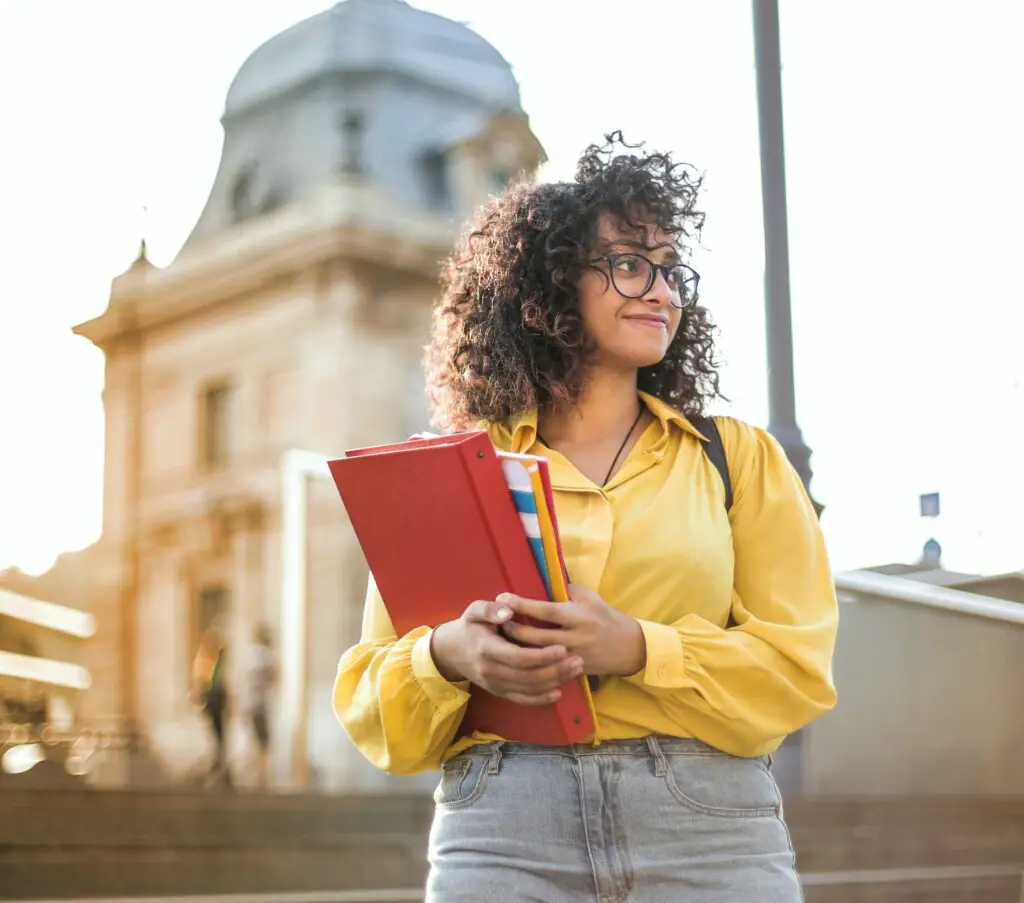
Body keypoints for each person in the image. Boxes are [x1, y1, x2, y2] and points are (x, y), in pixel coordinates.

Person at [333, 133, 838, 901]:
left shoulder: (737, 459)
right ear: (550, 282)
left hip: (706, 825)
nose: (662, 290)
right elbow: (375, 703)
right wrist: (447, 655)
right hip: (502, 826)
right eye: (631, 263)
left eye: (672, 270)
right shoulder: (458, 472)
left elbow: (797, 671)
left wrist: (637, 646)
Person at [191, 626, 232, 787]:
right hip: (213, 697)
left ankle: (219, 761)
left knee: (219, 733)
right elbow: (201, 680)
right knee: (217, 733)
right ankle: (217, 761)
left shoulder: (215, 658)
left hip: (216, 698)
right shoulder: (206, 658)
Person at [245, 622, 277, 788]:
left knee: (259, 741)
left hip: (254, 704)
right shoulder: (262, 655)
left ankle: (259, 775)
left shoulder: (251, 654)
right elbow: (271, 674)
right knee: (263, 743)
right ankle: (261, 776)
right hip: (259, 705)